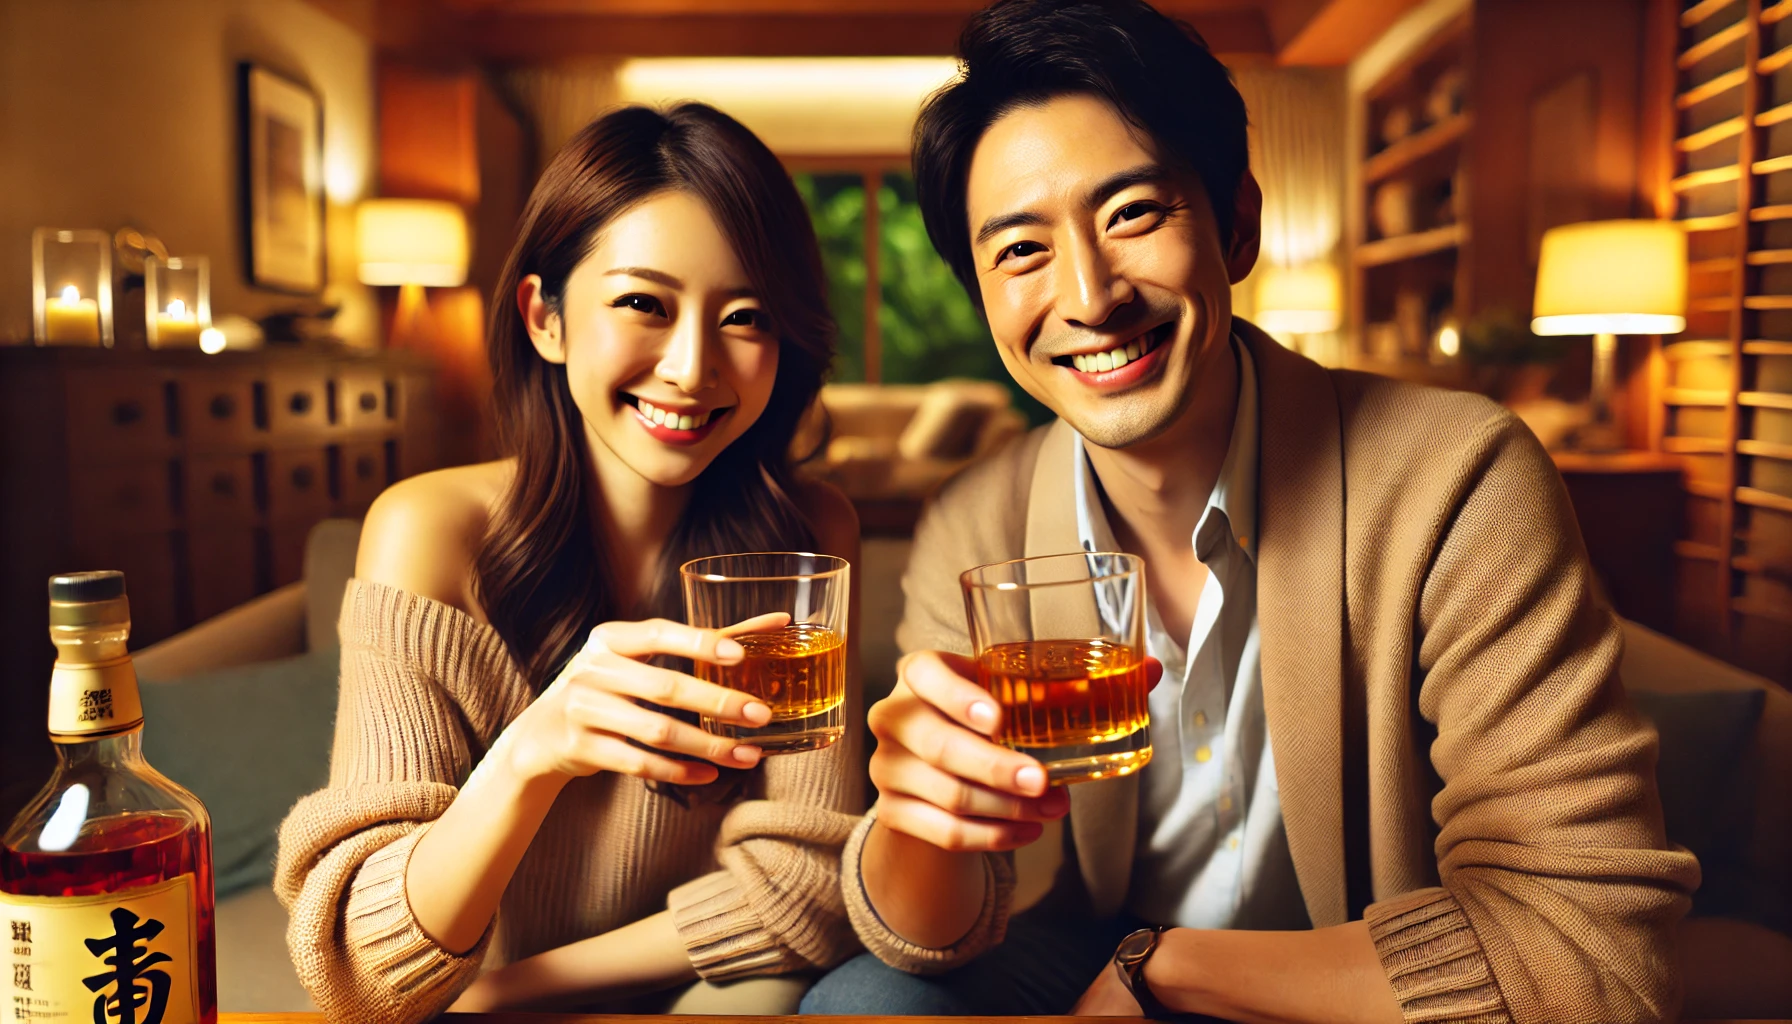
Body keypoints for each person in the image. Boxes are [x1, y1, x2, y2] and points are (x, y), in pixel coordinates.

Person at [801, 2, 1699, 1022]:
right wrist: (922, 818)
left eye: (1133, 213)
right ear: (984, 300)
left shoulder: (1458, 476)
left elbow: (1595, 947)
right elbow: (933, 934)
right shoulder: (975, 521)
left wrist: (1168, 969)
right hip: (1076, 948)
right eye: (1021, 251)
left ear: (1236, 224)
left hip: (1366, 973)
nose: (1089, 295)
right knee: (864, 1002)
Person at [275, 103, 865, 1023]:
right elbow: (361, 966)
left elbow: (815, 878)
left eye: (744, 317)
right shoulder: (425, 531)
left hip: (683, 996)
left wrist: (511, 991)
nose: (691, 366)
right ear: (545, 318)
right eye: (643, 303)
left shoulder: (808, 532)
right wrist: (531, 755)